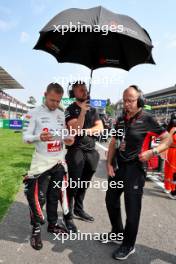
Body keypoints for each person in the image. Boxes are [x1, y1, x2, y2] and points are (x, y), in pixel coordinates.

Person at [103, 85, 172, 260]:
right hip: (119, 167)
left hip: (135, 169)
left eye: (131, 100)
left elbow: (168, 139)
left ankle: (128, 245)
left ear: (139, 100)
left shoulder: (148, 119)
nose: (127, 104)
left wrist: (153, 152)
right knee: (110, 200)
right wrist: (109, 164)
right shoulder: (120, 119)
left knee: (132, 208)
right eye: (125, 100)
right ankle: (117, 232)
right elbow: (113, 142)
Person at [23, 83, 76, 250]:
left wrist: (69, 139)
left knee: (55, 196)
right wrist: (39, 136)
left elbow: (66, 135)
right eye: (52, 100)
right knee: (39, 197)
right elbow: (25, 137)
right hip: (42, 161)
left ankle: (53, 225)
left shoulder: (61, 114)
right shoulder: (34, 113)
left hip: (58, 161)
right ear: (45, 94)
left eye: (58, 100)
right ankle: (36, 230)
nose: (55, 104)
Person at [64, 81, 103, 222]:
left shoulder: (93, 109)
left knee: (84, 184)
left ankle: (78, 209)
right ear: (73, 93)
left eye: (85, 89)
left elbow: (100, 127)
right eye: (80, 90)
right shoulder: (70, 109)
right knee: (73, 184)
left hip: (91, 151)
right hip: (76, 150)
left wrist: (85, 131)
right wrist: (82, 112)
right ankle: (67, 213)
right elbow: (74, 129)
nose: (84, 91)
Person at [164, 113, 176, 199]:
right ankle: (172, 189)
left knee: (170, 170)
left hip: (171, 151)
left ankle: (169, 187)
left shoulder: (171, 128)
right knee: (172, 171)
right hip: (172, 151)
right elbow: (168, 141)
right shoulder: (173, 129)